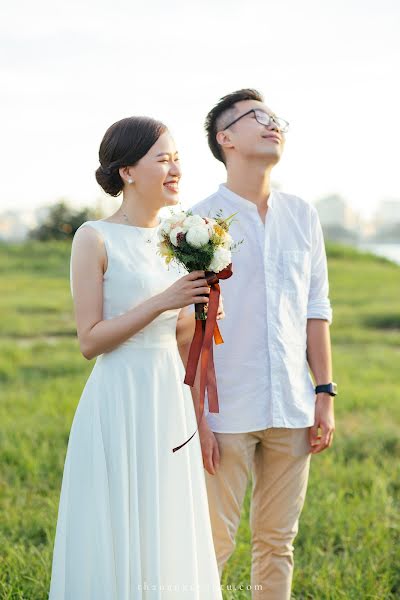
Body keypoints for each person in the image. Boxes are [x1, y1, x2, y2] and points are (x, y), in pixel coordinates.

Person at [48, 116, 223, 599]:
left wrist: (202, 422)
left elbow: (185, 339)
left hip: (169, 397)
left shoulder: (179, 239)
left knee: (167, 518)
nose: (176, 169)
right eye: (163, 159)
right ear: (127, 171)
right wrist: (163, 301)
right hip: (118, 396)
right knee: (117, 520)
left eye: (177, 159)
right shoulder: (94, 237)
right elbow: (91, 341)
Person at [190, 89, 336, 599]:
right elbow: (188, 327)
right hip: (224, 407)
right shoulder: (197, 222)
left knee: (278, 542)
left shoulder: (302, 215)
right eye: (257, 118)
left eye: (276, 119)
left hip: (294, 406)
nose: (273, 125)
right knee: (213, 542)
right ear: (225, 138)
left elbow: (316, 309)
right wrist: (196, 416)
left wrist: (324, 393)